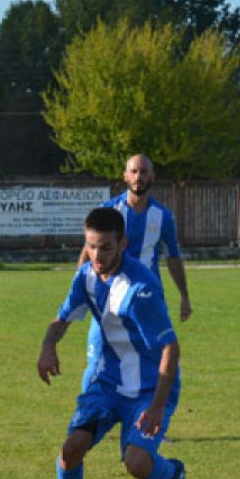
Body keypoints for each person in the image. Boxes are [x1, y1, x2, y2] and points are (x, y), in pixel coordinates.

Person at [38, 207, 189, 479]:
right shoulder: (86, 276)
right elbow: (63, 318)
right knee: (71, 449)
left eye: (105, 247)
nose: (97, 254)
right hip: (106, 382)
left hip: (148, 388)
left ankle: (173, 472)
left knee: (136, 464)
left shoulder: (140, 289)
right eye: (91, 246)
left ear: (123, 243)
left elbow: (170, 347)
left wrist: (158, 407)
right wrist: (48, 345)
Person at [80, 153, 191, 389]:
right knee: (98, 362)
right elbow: (89, 251)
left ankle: (145, 416)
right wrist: (81, 288)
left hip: (146, 300)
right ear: (125, 176)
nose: (138, 176)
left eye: (143, 172)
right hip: (109, 299)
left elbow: (172, 257)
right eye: (134, 171)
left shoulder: (163, 216)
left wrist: (184, 296)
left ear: (152, 176)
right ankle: (89, 416)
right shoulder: (109, 211)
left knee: (153, 361)